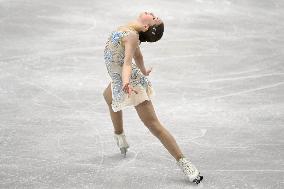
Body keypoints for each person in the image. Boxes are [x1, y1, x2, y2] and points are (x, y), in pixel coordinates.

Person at [103, 11, 203, 184]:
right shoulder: (131, 30)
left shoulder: (133, 35)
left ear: (146, 26)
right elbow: (138, 55)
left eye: (154, 17)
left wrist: (127, 81)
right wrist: (142, 69)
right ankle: (120, 136)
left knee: (153, 125)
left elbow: (127, 63)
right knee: (108, 97)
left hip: (130, 83)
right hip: (119, 80)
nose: (152, 13)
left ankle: (185, 163)